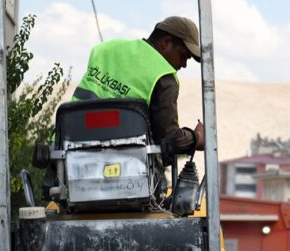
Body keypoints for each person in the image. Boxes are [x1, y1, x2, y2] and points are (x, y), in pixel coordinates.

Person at [71, 16, 205, 156]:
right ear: (166, 42)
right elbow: (169, 138)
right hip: (120, 161)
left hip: (69, 149)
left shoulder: (106, 48)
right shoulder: (164, 77)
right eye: (183, 56)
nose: (184, 65)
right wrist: (198, 137)